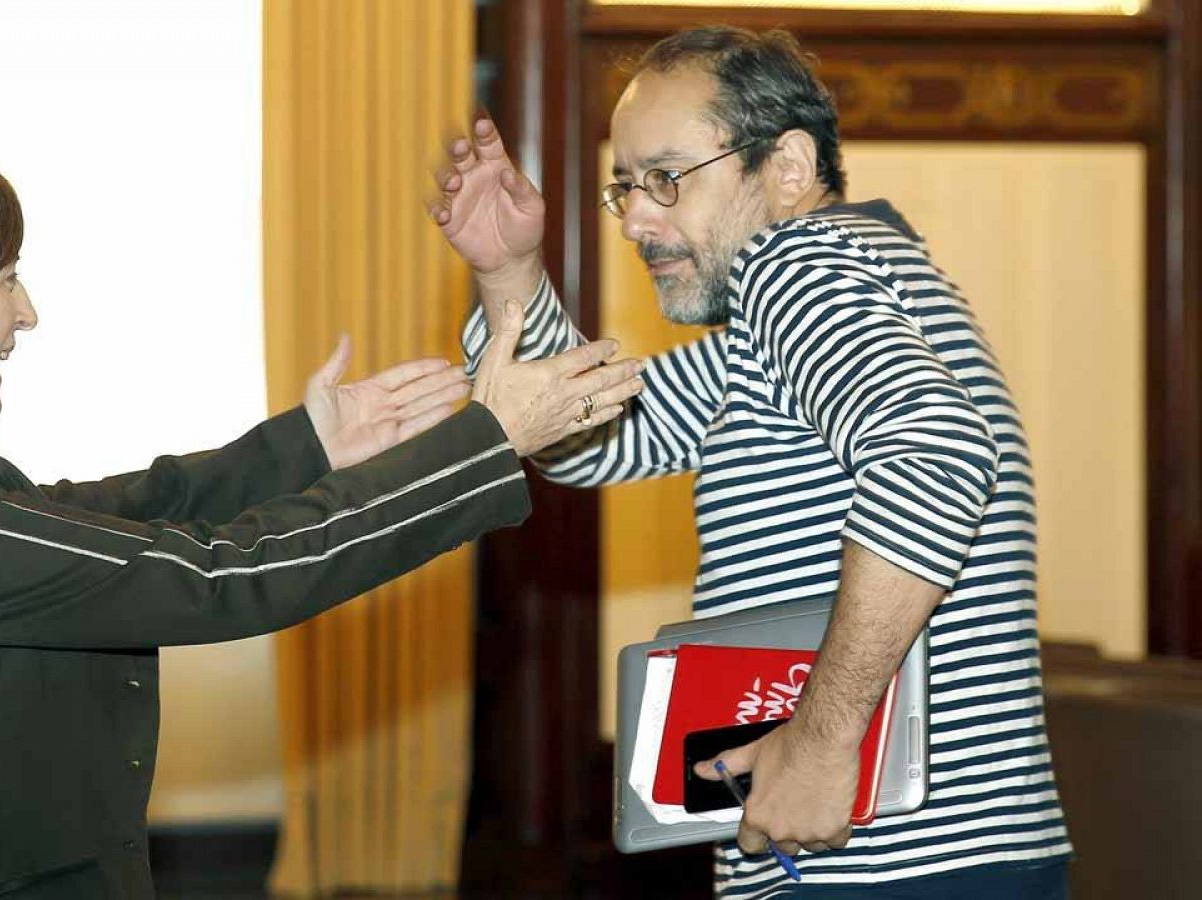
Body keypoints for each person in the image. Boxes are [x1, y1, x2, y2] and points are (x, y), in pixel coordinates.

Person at [0, 141, 645, 898]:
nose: (26, 312)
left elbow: (105, 518)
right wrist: (482, 446)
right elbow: (214, 576)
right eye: (6, 280)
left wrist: (310, 446)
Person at [430, 25, 1071, 899]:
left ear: (789, 168)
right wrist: (509, 273)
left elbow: (936, 454)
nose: (638, 219)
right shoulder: (844, 291)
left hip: (888, 865)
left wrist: (819, 738)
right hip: (944, 858)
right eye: (626, 188)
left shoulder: (799, 267)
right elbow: (591, 436)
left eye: (667, 179)